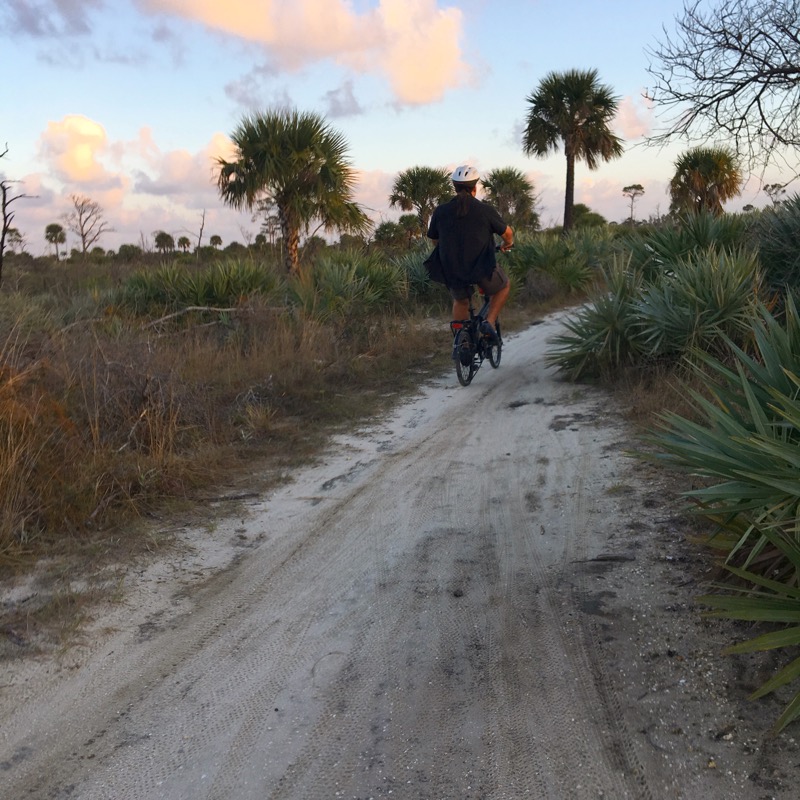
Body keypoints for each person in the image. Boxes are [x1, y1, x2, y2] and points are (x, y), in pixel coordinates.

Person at [426, 165, 513, 344]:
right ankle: (489, 322)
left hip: (451, 269)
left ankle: (462, 342)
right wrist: (507, 244)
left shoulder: (441, 211)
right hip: (481, 268)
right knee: (503, 286)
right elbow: (507, 233)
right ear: (475, 187)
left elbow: (434, 239)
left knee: (461, 301)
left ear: (455, 187)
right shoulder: (485, 210)